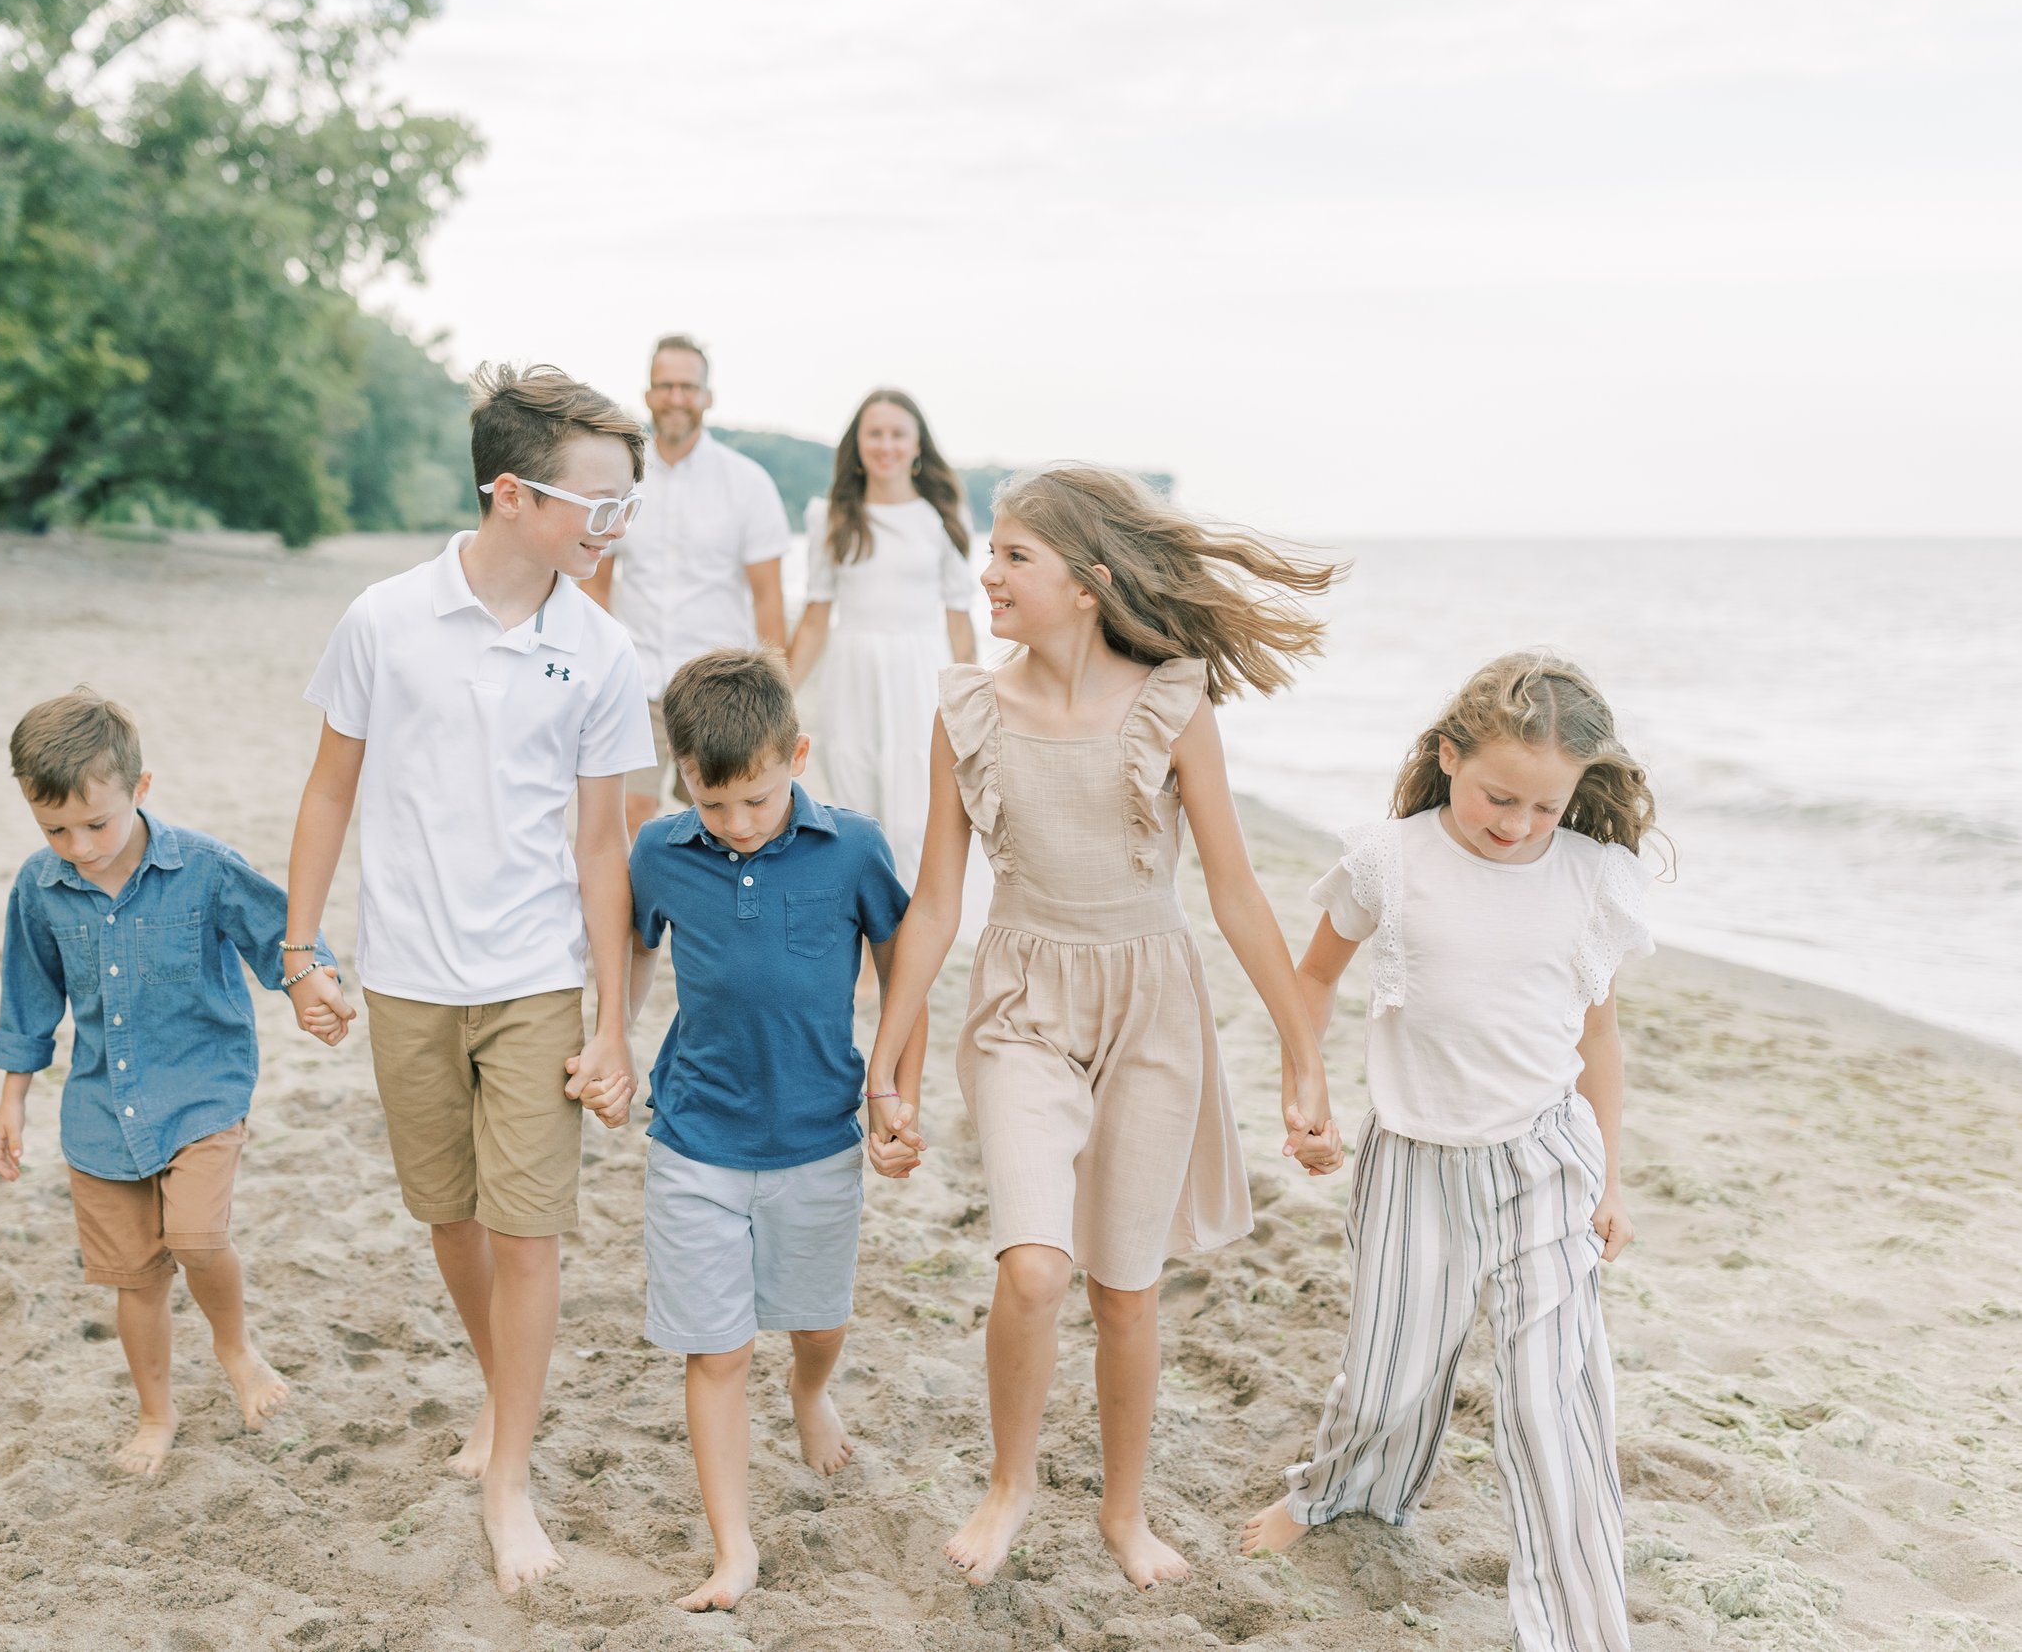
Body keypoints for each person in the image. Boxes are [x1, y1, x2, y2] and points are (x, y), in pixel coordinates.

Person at [862, 464, 1343, 1589]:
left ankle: (1123, 1512)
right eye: (989, 551)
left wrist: (1302, 1050)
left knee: (1125, 1284)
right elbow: (935, 902)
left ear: (1089, 581)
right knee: (1033, 1266)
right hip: (1022, 1000)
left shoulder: (1172, 704)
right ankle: (1009, 1482)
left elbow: (1232, 891)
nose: (988, 573)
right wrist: (883, 1057)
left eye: (1014, 555)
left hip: (1152, 1006)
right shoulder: (965, 709)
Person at [281, 364, 655, 1594]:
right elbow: (330, 787)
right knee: (447, 1213)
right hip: (406, 975)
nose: (614, 527)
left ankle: (510, 1477)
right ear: (510, 493)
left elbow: (603, 848)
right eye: (594, 503)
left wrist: (613, 1023)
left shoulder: (603, 651)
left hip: (536, 974)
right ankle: (505, 1398)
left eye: (625, 505)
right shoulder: (384, 619)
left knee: (529, 1228)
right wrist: (302, 947)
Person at [1240, 651, 1657, 1652]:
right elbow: (1311, 977)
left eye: (1543, 806)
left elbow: (1597, 1038)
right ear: (1447, 755)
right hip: (1413, 1157)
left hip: (1544, 1163)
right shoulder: (1391, 857)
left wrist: (1612, 1176)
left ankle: (1577, 1626)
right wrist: (1307, 1088)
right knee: (1388, 1372)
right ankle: (1344, 1491)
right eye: (1496, 795)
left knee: (1551, 1396)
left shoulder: (1593, 879)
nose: (1515, 824)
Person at [622, 648, 930, 1614]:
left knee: (815, 1318)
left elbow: (904, 975)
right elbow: (632, 951)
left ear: (796, 753)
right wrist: (612, 1044)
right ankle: (735, 1545)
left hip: (818, 1136)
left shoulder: (855, 849)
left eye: (756, 799)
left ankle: (810, 1391)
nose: (739, 825)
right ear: (682, 779)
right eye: (714, 806)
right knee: (716, 1349)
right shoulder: (660, 850)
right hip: (694, 1139)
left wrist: (897, 1094)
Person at [0, 687, 337, 1477]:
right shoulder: (38, 890)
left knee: (198, 1236)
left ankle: (236, 1346)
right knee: (134, 1279)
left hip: (203, 1090)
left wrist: (313, 984)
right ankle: (156, 1412)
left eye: (96, 822)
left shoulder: (203, 868)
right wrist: (13, 1100)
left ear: (141, 790)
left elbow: (280, 936)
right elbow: (29, 999)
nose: (78, 845)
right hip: (101, 1109)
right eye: (54, 829)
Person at [586, 334, 791, 831]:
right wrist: (602, 661)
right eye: (665, 386)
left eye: (687, 387)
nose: (676, 398)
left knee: (717, 817)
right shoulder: (619, 480)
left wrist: (778, 691)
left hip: (719, 686)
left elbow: (768, 597)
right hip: (635, 682)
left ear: (707, 396)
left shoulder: (747, 483)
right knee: (629, 813)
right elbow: (594, 581)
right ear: (649, 394)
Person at [785, 388, 978, 891]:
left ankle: (912, 951)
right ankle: (869, 962)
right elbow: (814, 618)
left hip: (921, 674)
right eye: (875, 433)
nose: (886, 445)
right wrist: (778, 692)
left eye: (898, 434)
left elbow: (960, 620)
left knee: (916, 817)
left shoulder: (942, 516)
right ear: (858, 443)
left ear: (918, 446)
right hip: (852, 673)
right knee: (858, 810)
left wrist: (976, 698)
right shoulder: (830, 516)